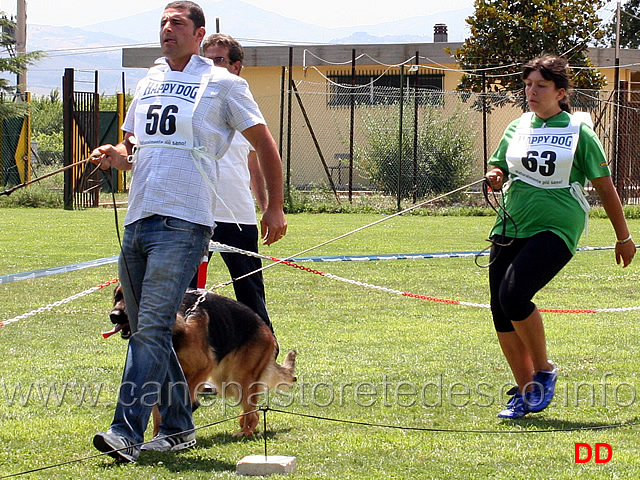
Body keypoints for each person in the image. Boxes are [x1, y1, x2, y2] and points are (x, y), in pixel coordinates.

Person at [89, 1, 287, 463]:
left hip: (184, 221)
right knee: (147, 328)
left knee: (152, 328)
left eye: (177, 23)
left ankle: (125, 431)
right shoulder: (149, 81)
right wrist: (117, 156)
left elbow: (265, 145)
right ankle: (178, 427)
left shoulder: (224, 85)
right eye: (162, 22)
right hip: (138, 218)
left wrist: (274, 206)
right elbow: (134, 144)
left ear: (199, 34)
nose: (167, 29)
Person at [484, 55, 635, 419]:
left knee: (514, 294)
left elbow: (604, 185)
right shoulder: (517, 127)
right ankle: (526, 392)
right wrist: (495, 174)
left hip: (556, 227)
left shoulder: (579, 132)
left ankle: (545, 369)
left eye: (541, 85)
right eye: (528, 84)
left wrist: (623, 236)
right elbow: (500, 165)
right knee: (499, 309)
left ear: (560, 92)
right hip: (511, 223)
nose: (531, 92)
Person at [188, 33, 282, 334]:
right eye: (207, 60)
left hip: (237, 217)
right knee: (187, 298)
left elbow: (254, 167)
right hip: (194, 215)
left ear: (236, 66)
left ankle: (266, 359)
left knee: (250, 295)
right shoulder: (193, 105)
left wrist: (268, 209)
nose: (212, 66)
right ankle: (189, 366)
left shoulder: (244, 106)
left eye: (219, 60)